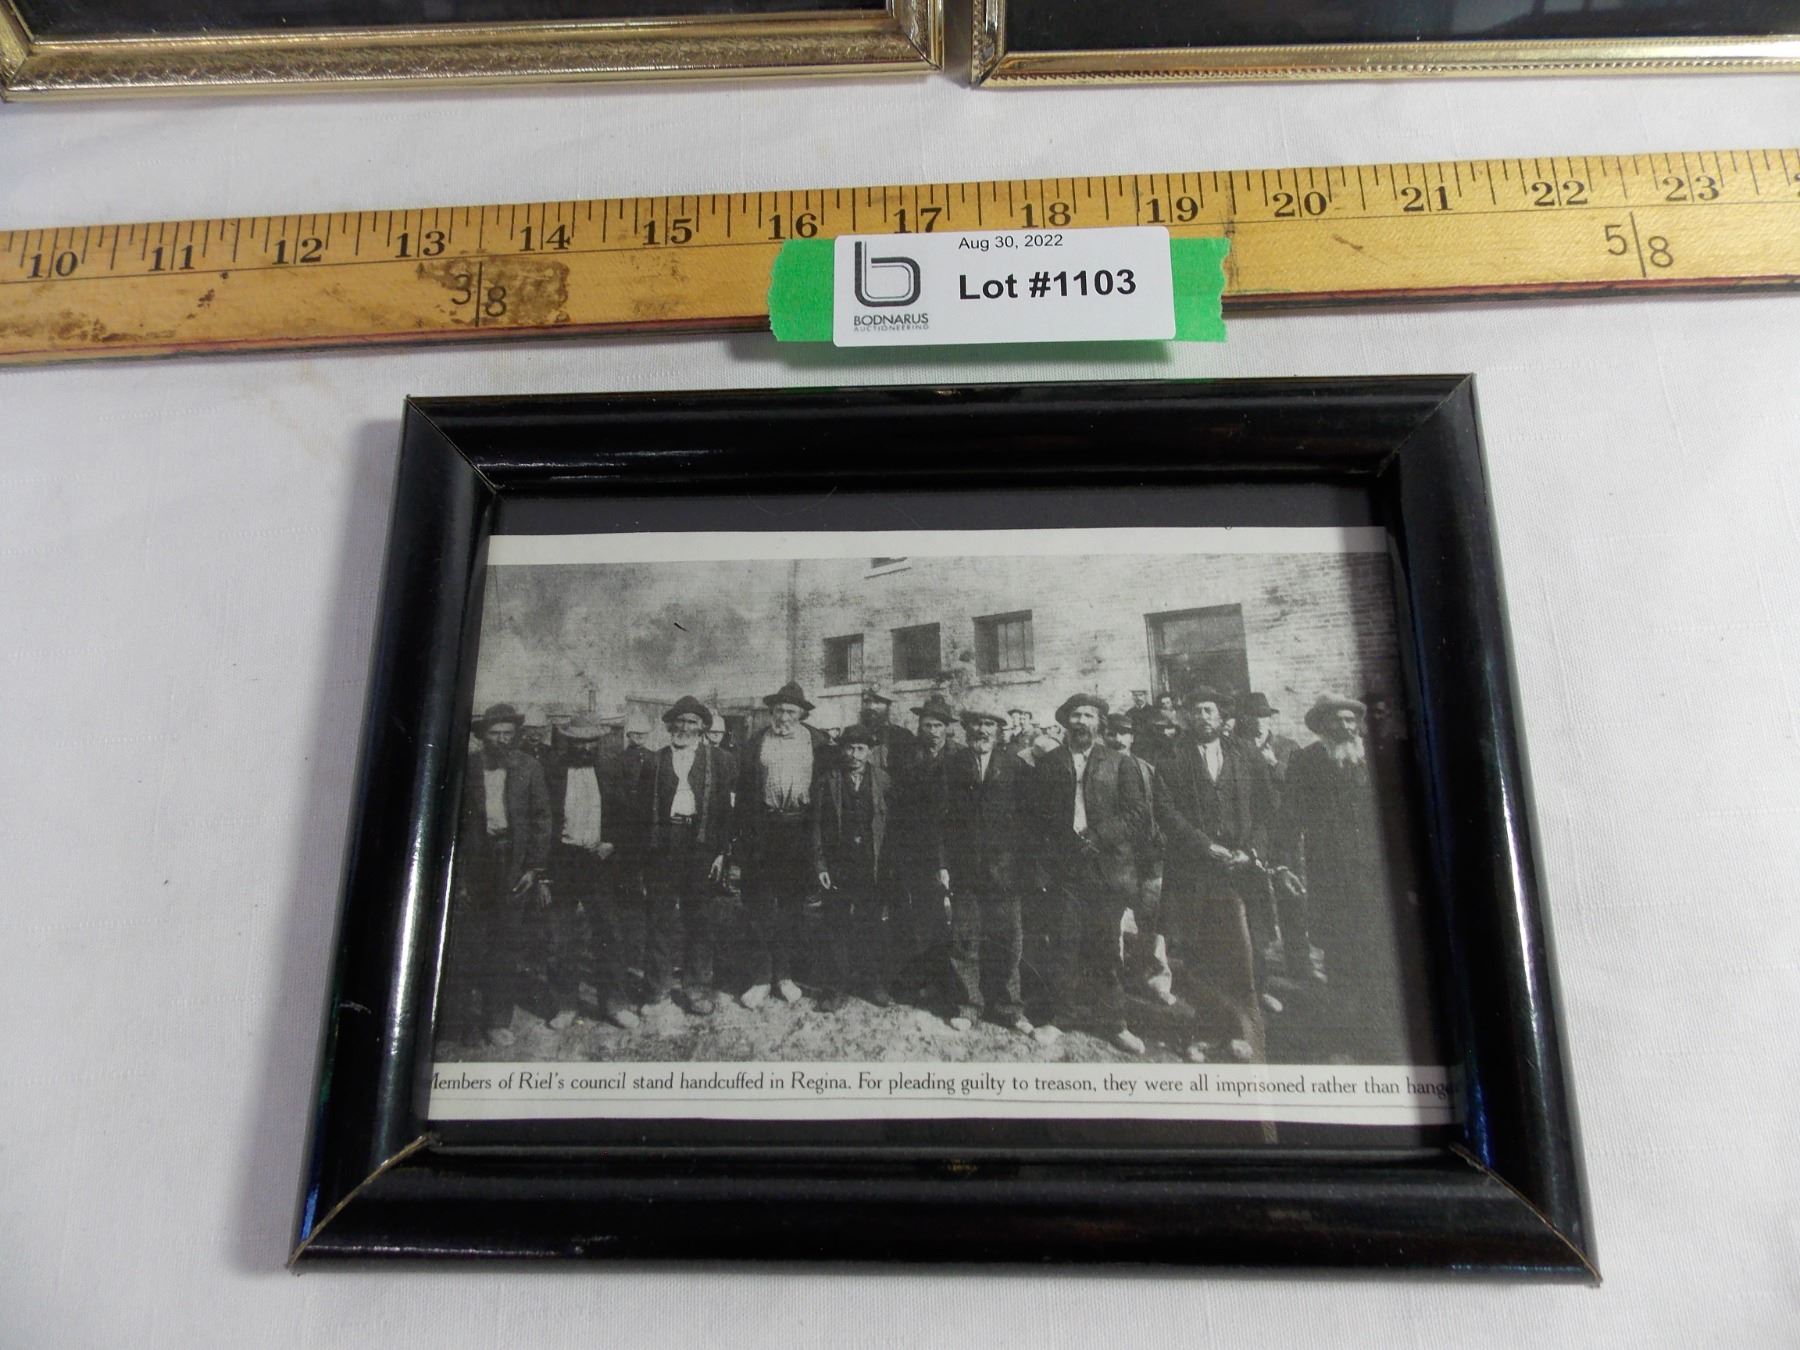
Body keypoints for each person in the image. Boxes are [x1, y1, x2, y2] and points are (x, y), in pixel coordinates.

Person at [1273, 694, 1435, 1063]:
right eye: (1338, 721)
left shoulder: (1373, 760)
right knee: (1340, 956)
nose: (1347, 728)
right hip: (1331, 879)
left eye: (1351, 721)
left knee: (1379, 954)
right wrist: (1282, 866)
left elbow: (1399, 816)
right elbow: (1288, 818)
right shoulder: (1306, 761)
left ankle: (1382, 1039)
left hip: (1377, 881)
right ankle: (1345, 1036)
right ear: (1322, 726)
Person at [1153, 685, 1273, 1064]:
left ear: (1222, 715)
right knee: (1196, 954)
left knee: (1241, 952)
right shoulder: (1171, 758)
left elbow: (1267, 810)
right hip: (1193, 870)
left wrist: (1250, 852)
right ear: (1186, 717)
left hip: (1239, 871)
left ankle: (1241, 1033)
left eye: (1209, 710)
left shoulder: (1246, 754)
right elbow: (1166, 812)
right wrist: (1205, 846)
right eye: (1195, 711)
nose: (1202, 717)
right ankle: (1203, 1033)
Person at [1025, 693, 1149, 1055]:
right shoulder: (1050, 763)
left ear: (1099, 724)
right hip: (1065, 870)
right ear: (1067, 722)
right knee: (1064, 945)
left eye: (1088, 716)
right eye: (1075, 715)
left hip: (1106, 870)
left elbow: (1136, 815)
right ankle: (1061, 1017)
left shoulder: (1120, 763)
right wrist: (1052, 855)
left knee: (1107, 948)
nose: (1081, 722)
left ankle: (1114, 1022)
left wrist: (1097, 837)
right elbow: (1036, 817)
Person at [447, 703, 551, 1048]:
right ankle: (462, 1022)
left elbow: (542, 819)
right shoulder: (467, 768)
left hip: (513, 864)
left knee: (506, 944)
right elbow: (451, 823)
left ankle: (496, 1020)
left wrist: (533, 868)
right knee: (469, 945)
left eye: (508, 733)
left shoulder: (529, 767)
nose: (503, 739)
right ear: (482, 736)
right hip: (475, 864)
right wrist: (459, 877)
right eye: (495, 733)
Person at [634, 695, 735, 1017]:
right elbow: (641, 812)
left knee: (700, 919)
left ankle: (697, 988)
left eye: (692, 722)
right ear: (670, 725)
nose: (684, 727)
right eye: (679, 721)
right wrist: (646, 853)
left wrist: (721, 852)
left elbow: (724, 811)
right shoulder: (654, 760)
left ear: (703, 727)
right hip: (663, 845)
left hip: (701, 846)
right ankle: (656, 990)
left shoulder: (719, 761)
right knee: (660, 918)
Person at [943, 703, 1032, 1035]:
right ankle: (968, 1005)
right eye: (976, 724)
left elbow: (1028, 819)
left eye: (989, 725)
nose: (982, 730)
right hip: (965, 868)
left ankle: (1009, 1007)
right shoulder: (953, 766)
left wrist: (1021, 864)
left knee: (1008, 940)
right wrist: (943, 863)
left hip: (1006, 870)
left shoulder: (1015, 765)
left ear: (998, 731)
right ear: (967, 729)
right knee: (965, 939)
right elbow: (941, 819)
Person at [543, 714, 635, 1030]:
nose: (584, 748)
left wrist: (612, 842)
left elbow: (626, 815)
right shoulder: (553, 771)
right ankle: (565, 1005)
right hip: (563, 861)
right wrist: (544, 869)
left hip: (599, 862)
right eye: (578, 742)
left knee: (609, 932)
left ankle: (614, 1004)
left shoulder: (611, 770)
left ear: (598, 742)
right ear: (568, 742)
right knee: (561, 937)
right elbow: (542, 818)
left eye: (590, 742)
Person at [735, 680, 820, 1008]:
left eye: (791, 711)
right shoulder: (756, 742)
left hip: (799, 832)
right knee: (759, 906)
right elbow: (744, 794)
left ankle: (784, 976)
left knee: (792, 908)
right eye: (779, 710)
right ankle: (760, 977)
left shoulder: (817, 742)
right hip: (763, 831)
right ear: (771, 712)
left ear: (801, 714)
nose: (784, 717)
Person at [811, 725, 892, 1012]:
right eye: (849, 748)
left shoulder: (883, 780)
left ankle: (871, 981)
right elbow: (816, 826)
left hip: (871, 864)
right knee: (836, 923)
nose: (854, 755)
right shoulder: (828, 780)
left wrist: (887, 866)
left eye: (860, 749)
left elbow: (889, 826)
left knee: (871, 923)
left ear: (869, 751)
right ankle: (835, 987)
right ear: (842, 749)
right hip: (838, 865)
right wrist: (821, 864)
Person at [886, 693, 958, 1004]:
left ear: (947, 728)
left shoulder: (958, 756)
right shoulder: (906, 755)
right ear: (920, 726)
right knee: (910, 912)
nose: (933, 731)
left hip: (947, 846)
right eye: (927, 725)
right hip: (911, 845)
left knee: (943, 914)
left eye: (938, 725)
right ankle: (910, 979)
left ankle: (942, 980)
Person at [1107, 712, 1172, 1002]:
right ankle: (1114, 979)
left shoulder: (1146, 769)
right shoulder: (1098, 769)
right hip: (1112, 856)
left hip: (1146, 854)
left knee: (1152, 921)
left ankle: (1157, 979)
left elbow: (1160, 811)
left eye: (1123, 733)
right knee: (1111, 921)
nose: (1117, 739)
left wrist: (1157, 846)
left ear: (1132, 737)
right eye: (1111, 733)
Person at [854, 687, 916, 771]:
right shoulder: (853, 735)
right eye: (867, 702)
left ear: (888, 706)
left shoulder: (902, 736)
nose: (871, 706)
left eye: (877, 702)